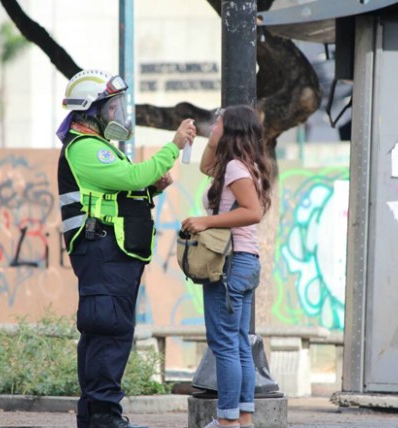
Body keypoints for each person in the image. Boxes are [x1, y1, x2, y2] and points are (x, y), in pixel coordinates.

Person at [57, 69, 196, 428]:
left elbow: (117, 194)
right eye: (112, 107)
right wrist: (175, 145)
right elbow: (134, 176)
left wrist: (152, 190)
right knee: (109, 328)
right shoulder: (86, 147)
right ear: (91, 111)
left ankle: (94, 415)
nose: (117, 114)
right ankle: (104, 415)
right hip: (103, 252)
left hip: (109, 253)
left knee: (102, 329)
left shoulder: (99, 149)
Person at [181, 105, 272, 428]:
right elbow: (206, 165)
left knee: (224, 344)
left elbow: (252, 212)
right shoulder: (241, 165)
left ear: (231, 129)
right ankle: (242, 418)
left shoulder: (236, 168)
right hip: (245, 263)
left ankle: (227, 421)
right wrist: (209, 138)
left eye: (218, 122)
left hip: (229, 263)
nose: (213, 125)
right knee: (238, 342)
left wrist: (206, 221)